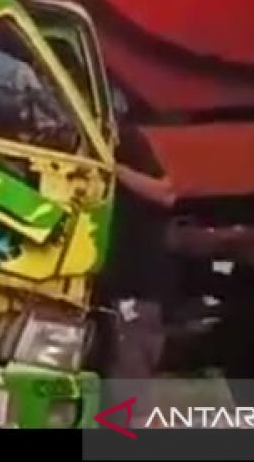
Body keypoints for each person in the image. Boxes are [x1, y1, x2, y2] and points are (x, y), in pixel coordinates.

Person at [97, 90, 177, 418]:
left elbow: (167, 192)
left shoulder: (127, 141)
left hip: (137, 283)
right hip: (110, 284)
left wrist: (115, 170)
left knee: (129, 378)